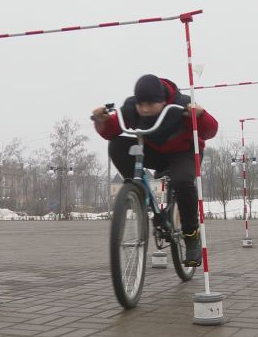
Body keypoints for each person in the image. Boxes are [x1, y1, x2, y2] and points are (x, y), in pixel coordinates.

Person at [92, 74, 218, 267]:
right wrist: (102, 120)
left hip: (184, 153)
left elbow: (210, 131)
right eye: (141, 104)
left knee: (182, 181)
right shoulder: (131, 108)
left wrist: (200, 116)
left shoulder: (181, 105)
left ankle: (191, 236)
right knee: (116, 144)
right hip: (155, 153)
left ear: (163, 101)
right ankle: (137, 191)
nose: (145, 109)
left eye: (151, 104)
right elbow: (112, 130)